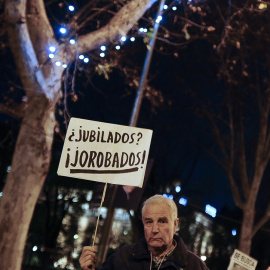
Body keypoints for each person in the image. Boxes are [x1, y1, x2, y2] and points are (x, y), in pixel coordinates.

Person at [79, 194, 209, 270]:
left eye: (162, 221)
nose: (154, 230)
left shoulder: (194, 265)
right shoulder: (124, 257)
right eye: (149, 222)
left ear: (175, 224)